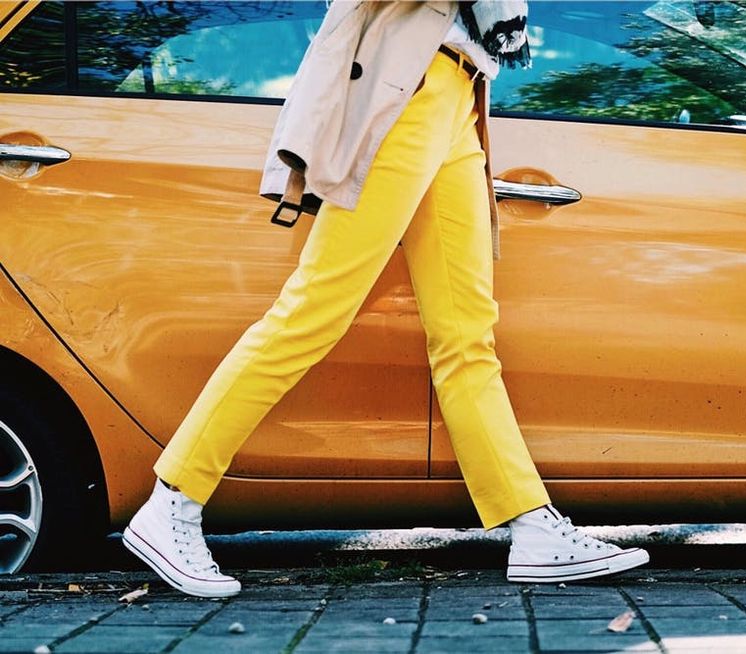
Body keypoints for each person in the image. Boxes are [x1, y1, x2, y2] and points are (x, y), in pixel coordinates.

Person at [122, 0, 649, 598]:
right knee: (313, 312)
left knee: (466, 335)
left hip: (460, 95)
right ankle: (172, 504)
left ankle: (531, 526)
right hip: (408, 91)